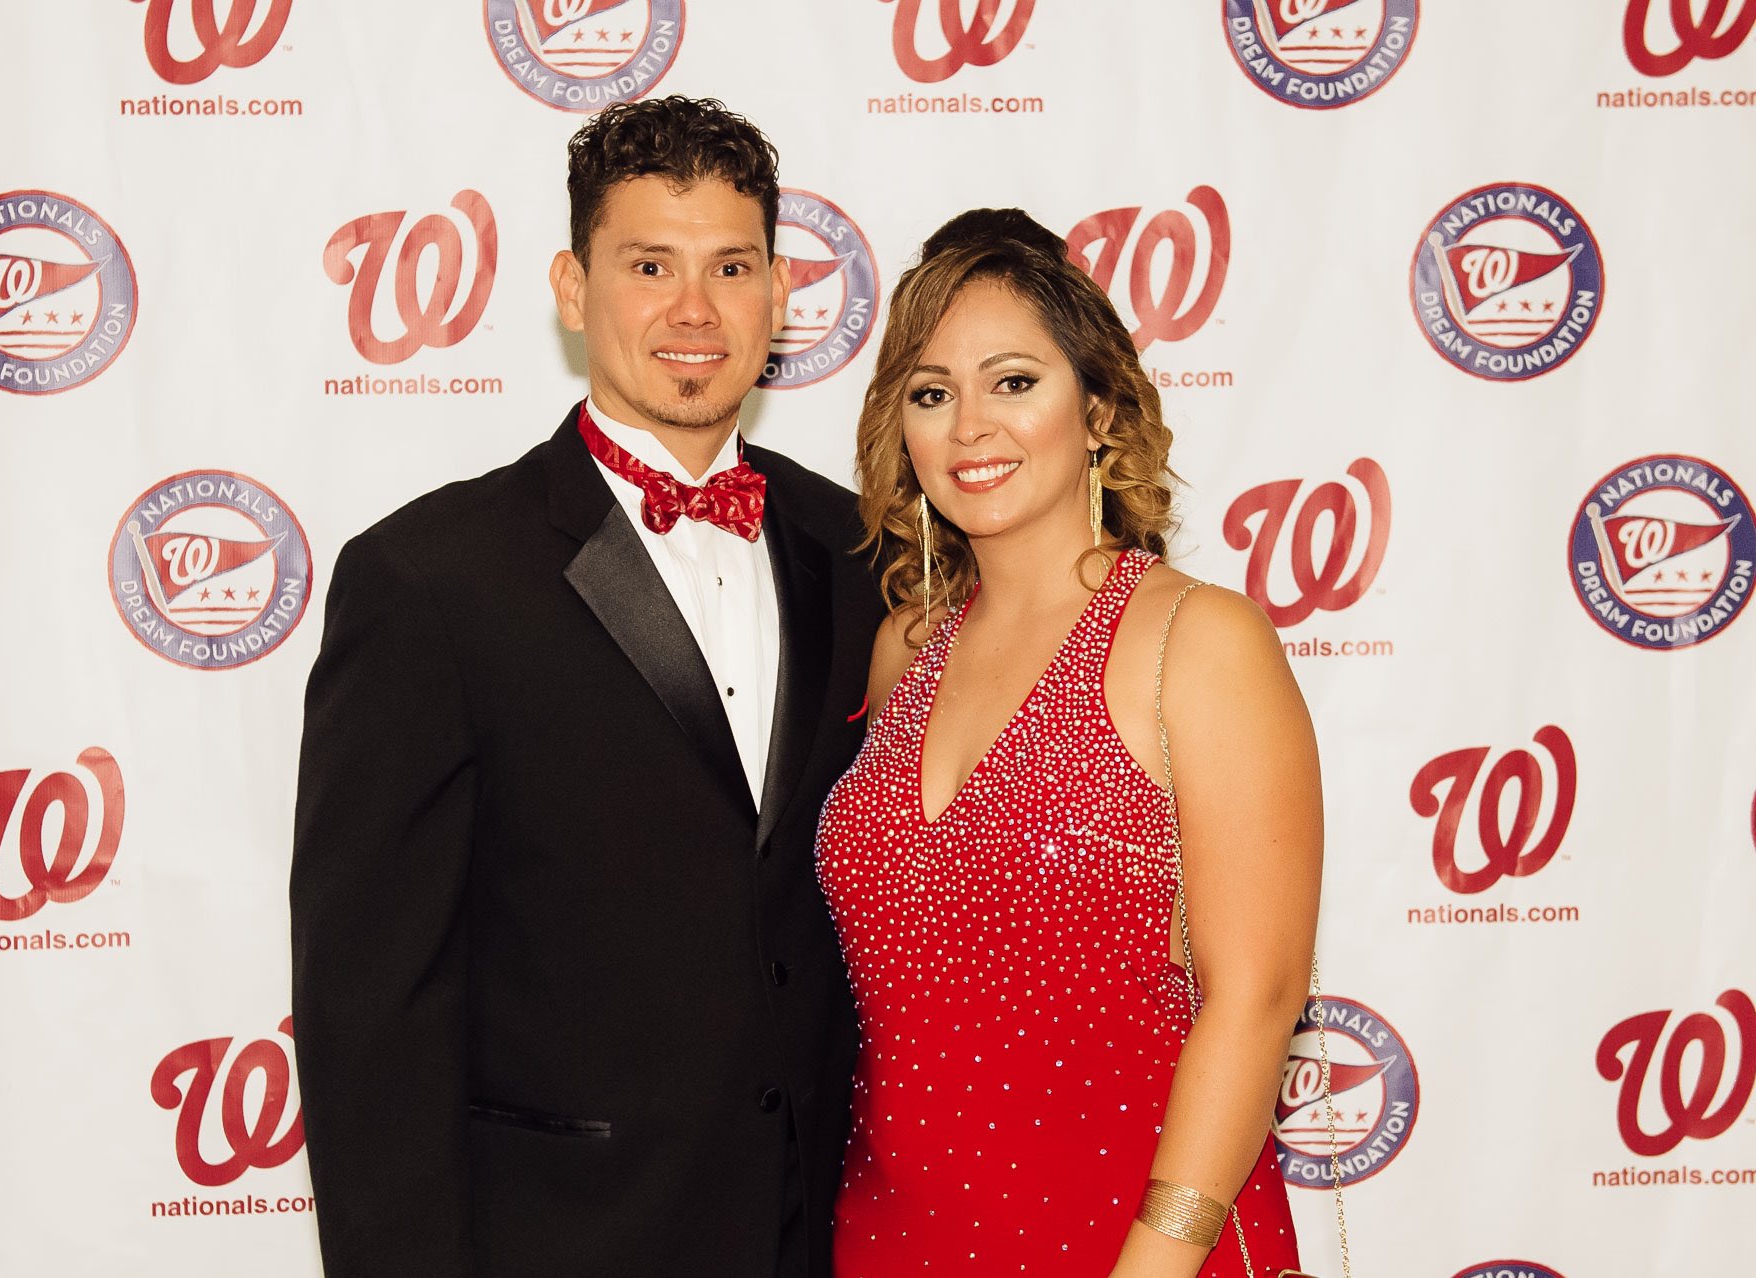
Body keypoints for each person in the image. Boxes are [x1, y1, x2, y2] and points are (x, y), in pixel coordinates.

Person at [290, 96, 884, 1278]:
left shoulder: (857, 549)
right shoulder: (429, 580)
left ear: (778, 296)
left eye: (733, 266)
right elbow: (371, 1012)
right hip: (558, 1242)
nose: (693, 309)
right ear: (572, 289)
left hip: (813, 1236)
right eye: (648, 264)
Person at [815, 208, 1321, 1277]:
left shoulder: (1196, 640)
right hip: (892, 1242)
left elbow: (1259, 994)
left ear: (1096, 410)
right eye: (931, 394)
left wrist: (1158, 1258)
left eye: (1013, 382)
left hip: (1134, 1245)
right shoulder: (900, 653)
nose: (968, 429)